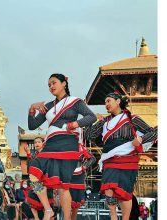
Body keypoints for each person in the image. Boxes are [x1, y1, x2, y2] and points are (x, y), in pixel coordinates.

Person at [28, 73, 97, 220]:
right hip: (51, 144)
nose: (51, 86)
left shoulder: (75, 101)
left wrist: (75, 124)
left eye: (54, 83)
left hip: (68, 144)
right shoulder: (47, 106)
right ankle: (47, 209)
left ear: (64, 83)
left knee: (62, 186)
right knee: (33, 173)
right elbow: (32, 125)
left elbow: (91, 116)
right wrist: (32, 109)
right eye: (49, 85)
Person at [85, 92, 157, 220]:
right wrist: (92, 120)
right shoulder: (104, 122)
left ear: (118, 101)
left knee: (125, 193)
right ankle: (113, 216)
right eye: (105, 102)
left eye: (109, 101)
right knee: (108, 189)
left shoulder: (132, 119)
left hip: (128, 159)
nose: (106, 104)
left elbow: (154, 132)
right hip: (109, 159)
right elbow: (89, 135)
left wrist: (140, 139)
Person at [24, 137, 54, 220]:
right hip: (36, 180)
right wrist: (28, 154)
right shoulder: (34, 155)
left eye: (39, 142)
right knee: (32, 200)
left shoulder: (47, 153)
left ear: (43, 143)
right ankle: (36, 218)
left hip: (46, 179)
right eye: (35, 142)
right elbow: (30, 169)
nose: (37, 144)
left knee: (47, 203)